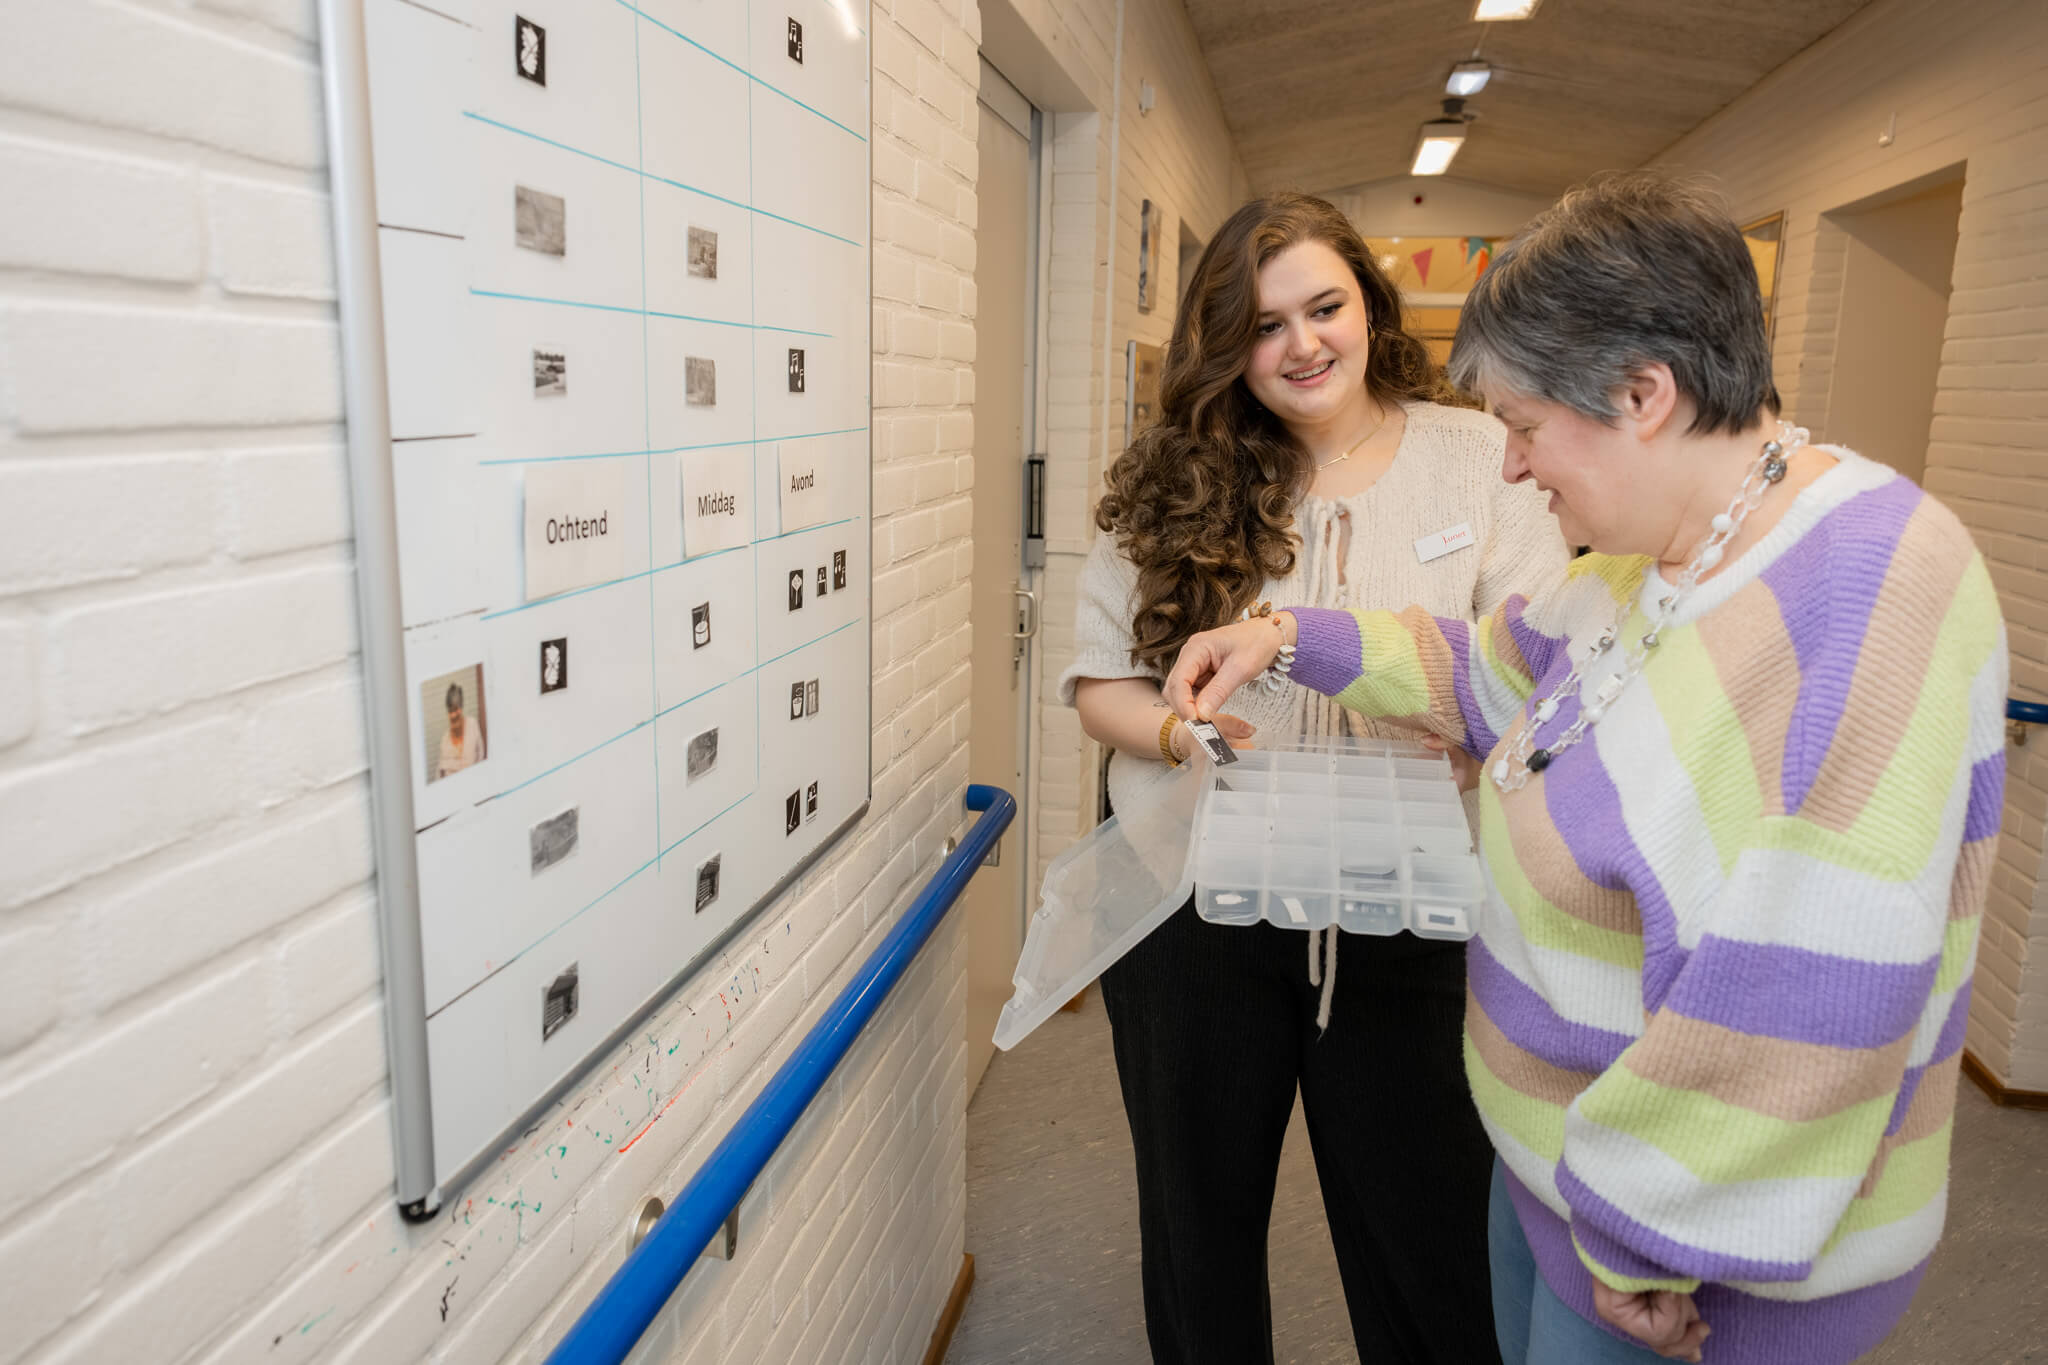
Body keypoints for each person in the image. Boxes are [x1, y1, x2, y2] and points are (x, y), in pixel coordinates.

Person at [1163, 173, 2006, 1365]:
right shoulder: (1642, 560)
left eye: (1521, 426)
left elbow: (1808, 987)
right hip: (1562, 1183)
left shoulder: (1874, 582)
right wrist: (1291, 637)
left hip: (1684, 1264)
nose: (1509, 468)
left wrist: (1641, 1237)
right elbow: (1487, 674)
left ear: (1640, 395)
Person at [1060, 191, 1566, 1365]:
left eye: (1322, 307)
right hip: (1193, 900)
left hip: (1410, 910)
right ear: (1223, 345)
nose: (1300, 345)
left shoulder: (1476, 460)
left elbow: (1535, 660)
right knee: (1197, 1228)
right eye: (1261, 324)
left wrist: (1481, 734)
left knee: (1429, 1234)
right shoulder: (1172, 476)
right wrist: (1181, 736)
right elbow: (1099, 685)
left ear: (1368, 305)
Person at [436, 681, 483, 779]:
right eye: (450, 711)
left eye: (456, 709)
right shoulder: (445, 739)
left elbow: (481, 756)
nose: (453, 715)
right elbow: (439, 774)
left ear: (461, 707)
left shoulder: (472, 725)